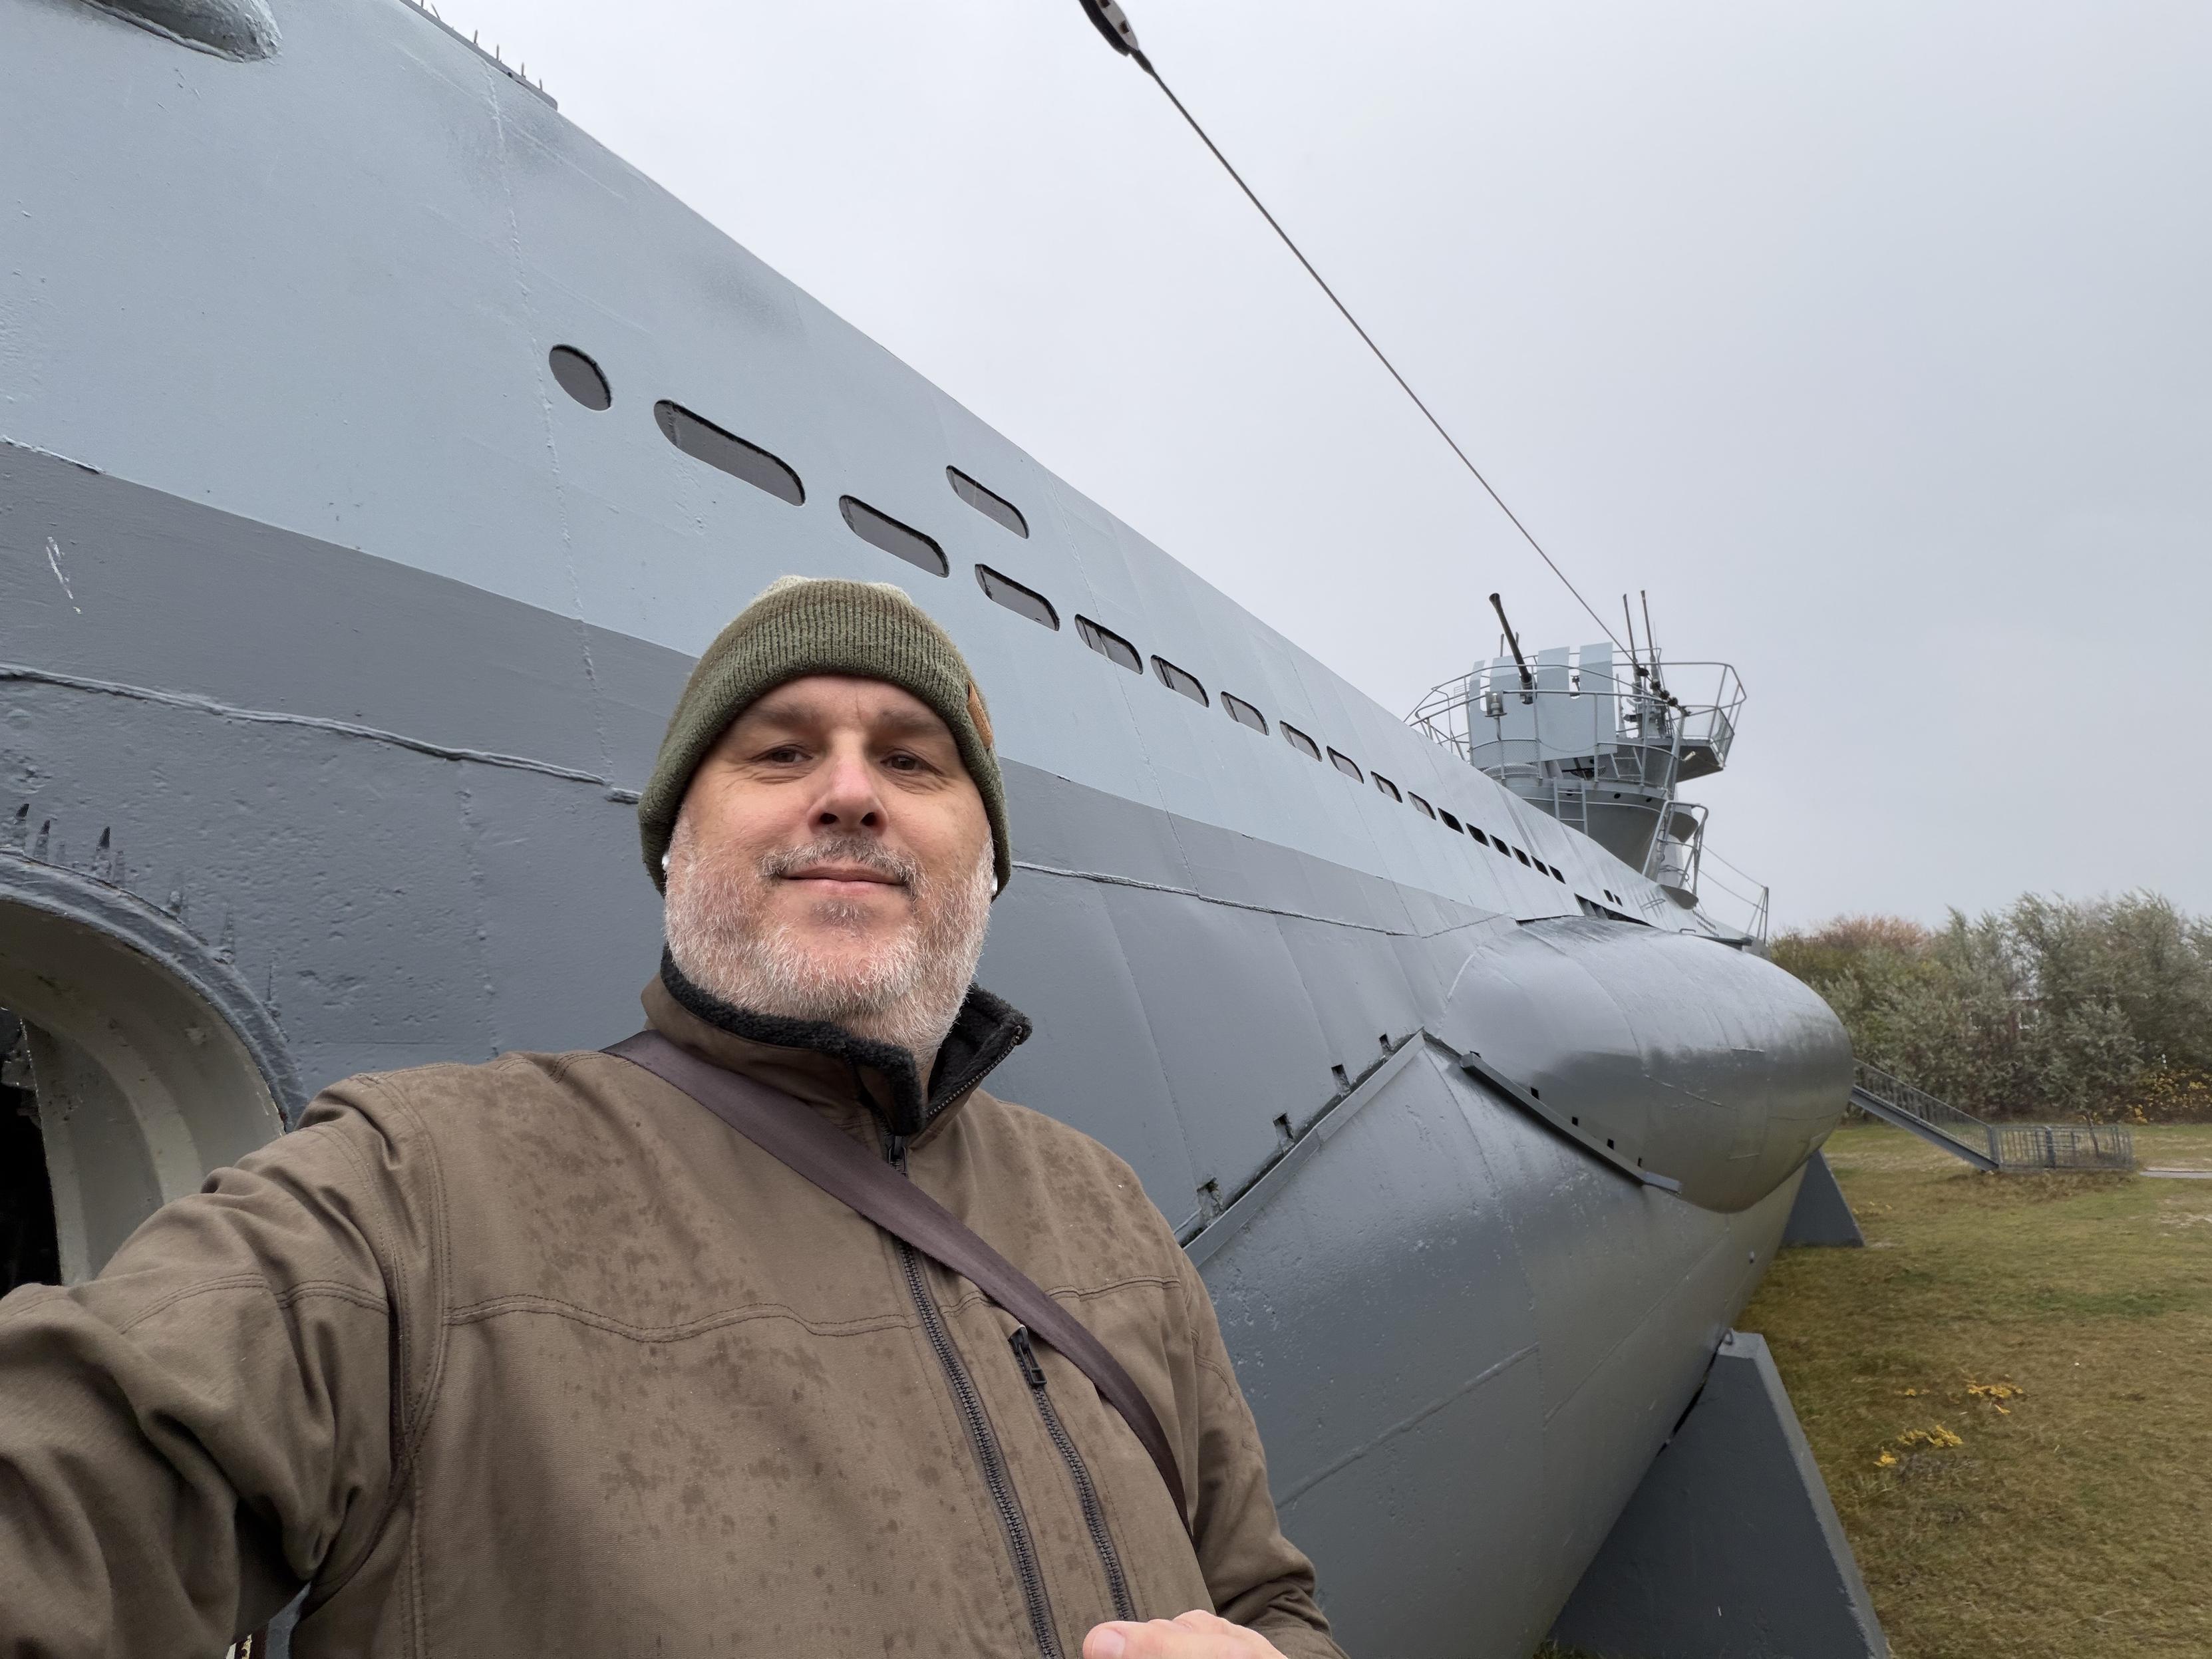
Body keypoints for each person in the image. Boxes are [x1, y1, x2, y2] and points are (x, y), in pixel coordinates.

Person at [0, 576, 1345, 1659]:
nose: (851, 790)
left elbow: (1265, 1594)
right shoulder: (418, 1189)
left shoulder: (1101, 1204)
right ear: (675, 846)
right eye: (780, 751)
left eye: (913, 758)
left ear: (984, 859)